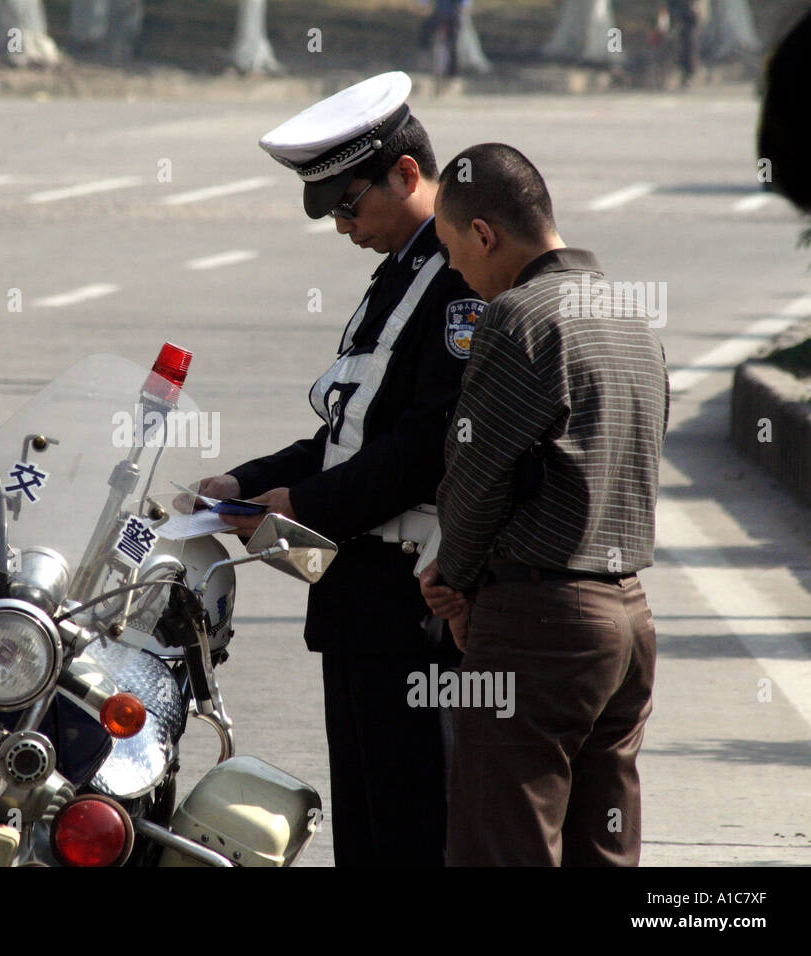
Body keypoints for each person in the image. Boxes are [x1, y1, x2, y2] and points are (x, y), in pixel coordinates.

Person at [185, 71, 486, 866]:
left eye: (349, 206)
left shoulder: (458, 282)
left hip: (413, 603)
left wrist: (304, 504)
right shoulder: (401, 276)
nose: (344, 228)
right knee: (366, 833)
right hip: (361, 599)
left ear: (407, 174)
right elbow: (350, 432)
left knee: (415, 834)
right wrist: (244, 483)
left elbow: (428, 445)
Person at [420, 143, 670, 865]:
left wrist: (452, 580)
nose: (457, 273)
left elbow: (476, 477)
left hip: (539, 626)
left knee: (505, 847)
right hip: (627, 622)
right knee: (604, 850)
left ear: (484, 234)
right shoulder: (628, 314)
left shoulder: (518, 318)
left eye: (452, 252)